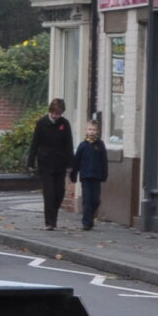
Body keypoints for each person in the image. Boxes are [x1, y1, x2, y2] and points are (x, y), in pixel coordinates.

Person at [27, 97, 75, 232]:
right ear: (50, 111)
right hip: (45, 162)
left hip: (60, 162)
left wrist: (71, 163)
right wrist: (31, 162)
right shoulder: (41, 123)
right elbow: (35, 143)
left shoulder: (65, 124)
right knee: (49, 192)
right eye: (54, 113)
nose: (56, 116)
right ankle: (50, 222)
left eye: (59, 114)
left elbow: (68, 144)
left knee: (59, 192)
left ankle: (54, 215)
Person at [72, 117, 109, 232]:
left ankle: (90, 216)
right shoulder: (82, 146)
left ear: (97, 131)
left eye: (94, 130)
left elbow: (104, 160)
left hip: (96, 176)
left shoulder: (100, 145)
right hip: (85, 176)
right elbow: (77, 161)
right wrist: (74, 173)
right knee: (87, 199)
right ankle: (86, 222)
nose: (91, 132)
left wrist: (104, 174)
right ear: (86, 131)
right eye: (89, 129)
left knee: (95, 200)